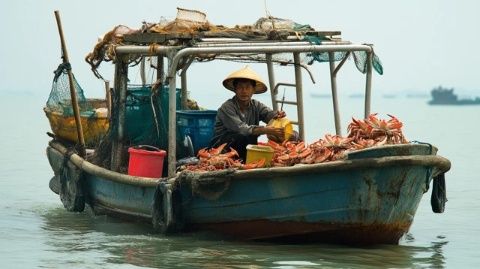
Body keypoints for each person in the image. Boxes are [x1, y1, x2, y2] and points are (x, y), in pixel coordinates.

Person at [209, 66, 286, 161]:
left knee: (289, 134)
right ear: (235, 89)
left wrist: (277, 115)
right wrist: (265, 130)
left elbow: (269, 115)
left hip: (247, 147)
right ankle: (243, 164)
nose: (244, 91)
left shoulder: (256, 105)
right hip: (222, 147)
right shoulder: (227, 107)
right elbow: (241, 129)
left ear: (253, 90)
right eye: (240, 87)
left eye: (247, 87)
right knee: (242, 137)